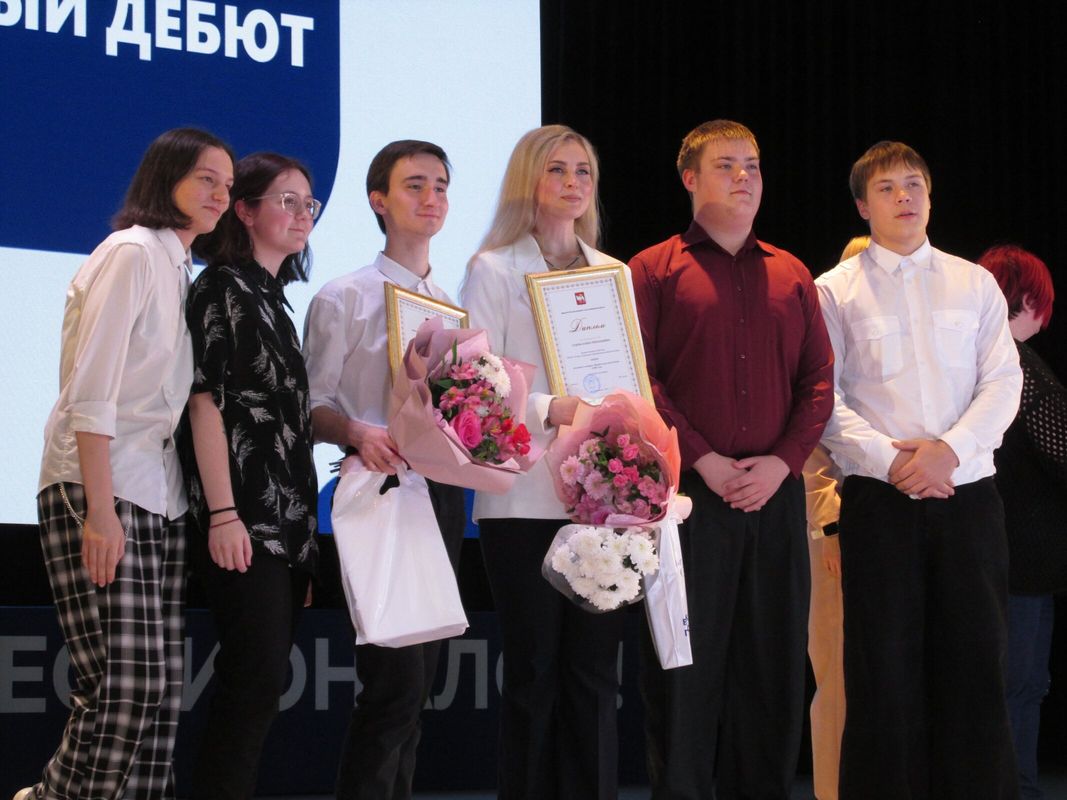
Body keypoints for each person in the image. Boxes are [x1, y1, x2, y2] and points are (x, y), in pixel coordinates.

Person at [20, 127, 233, 800]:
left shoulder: (178, 268)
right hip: (99, 484)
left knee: (159, 698)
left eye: (228, 186)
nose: (220, 195)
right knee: (124, 686)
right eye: (206, 179)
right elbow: (93, 390)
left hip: (156, 494)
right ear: (166, 177)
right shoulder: (133, 252)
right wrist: (100, 510)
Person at [630, 119, 835, 799]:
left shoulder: (791, 272)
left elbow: (818, 380)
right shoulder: (652, 270)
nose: (744, 176)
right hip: (688, 500)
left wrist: (782, 463)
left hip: (775, 497)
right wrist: (704, 459)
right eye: (726, 165)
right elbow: (640, 380)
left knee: (772, 675)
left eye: (752, 164)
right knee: (683, 678)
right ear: (690, 178)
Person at [815, 141, 1023, 799]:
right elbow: (823, 401)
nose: (903, 196)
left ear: (930, 196)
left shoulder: (974, 282)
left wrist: (948, 451)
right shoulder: (833, 291)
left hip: (968, 495)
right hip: (879, 502)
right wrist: (892, 463)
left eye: (913, 184)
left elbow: (1003, 380)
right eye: (886, 188)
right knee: (882, 673)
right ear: (862, 205)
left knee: (976, 668)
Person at [461, 124, 627, 799]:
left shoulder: (612, 272)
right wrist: (551, 407)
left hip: (602, 502)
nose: (572, 182)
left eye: (583, 171)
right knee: (533, 673)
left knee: (594, 676)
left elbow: (628, 384)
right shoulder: (493, 268)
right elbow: (477, 384)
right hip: (523, 499)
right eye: (557, 169)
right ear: (528, 179)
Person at [302, 140, 465, 800]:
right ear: (379, 199)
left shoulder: (449, 306)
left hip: (441, 496)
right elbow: (309, 404)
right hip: (376, 493)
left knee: (418, 689)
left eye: (441, 186)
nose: (432, 198)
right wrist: (356, 431)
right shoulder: (344, 296)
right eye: (414, 185)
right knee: (392, 687)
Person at [182, 152, 320, 799]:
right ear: (244, 210)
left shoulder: (274, 301)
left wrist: (302, 546)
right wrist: (223, 513)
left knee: (261, 685)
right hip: (241, 520)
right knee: (253, 681)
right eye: (286, 200)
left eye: (309, 204)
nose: (302, 214)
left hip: (284, 527)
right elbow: (204, 402)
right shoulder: (221, 287)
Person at [979, 244, 1066, 800]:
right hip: (1022, 558)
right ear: (1030, 299)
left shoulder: (974, 359)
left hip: (993, 549)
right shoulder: (1019, 367)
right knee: (1021, 686)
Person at [805, 234, 867, 800]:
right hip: (836, 535)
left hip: (897, 529)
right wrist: (831, 529)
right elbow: (813, 458)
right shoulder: (821, 357)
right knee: (839, 680)